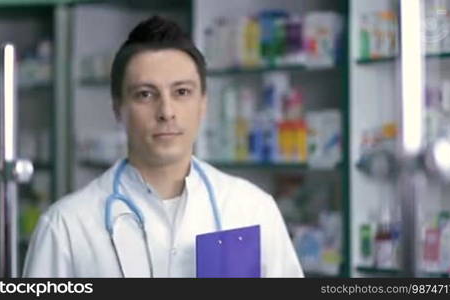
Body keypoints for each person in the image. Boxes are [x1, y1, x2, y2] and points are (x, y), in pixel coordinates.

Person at [23, 16, 304, 278]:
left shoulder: (251, 210)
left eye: (182, 92)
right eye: (145, 94)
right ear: (118, 108)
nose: (166, 111)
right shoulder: (67, 226)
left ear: (203, 103)